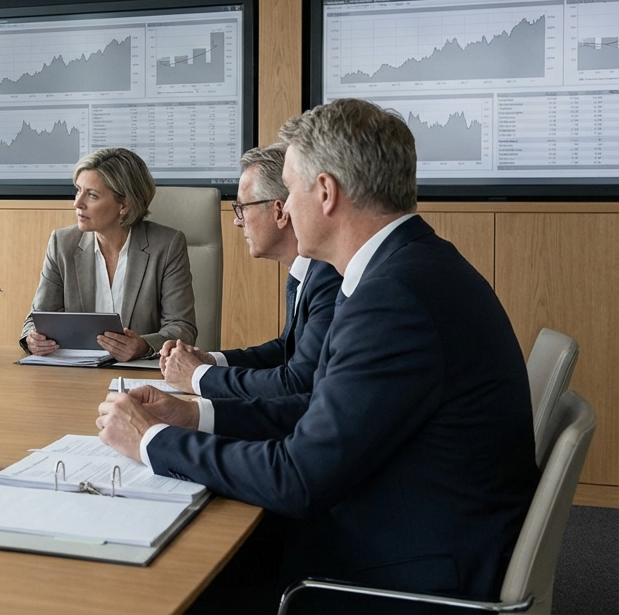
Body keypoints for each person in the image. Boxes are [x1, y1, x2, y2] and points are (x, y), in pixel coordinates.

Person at [97, 99, 538, 608]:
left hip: (404, 572)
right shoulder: (408, 267)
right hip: (408, 519)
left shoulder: (393, 298)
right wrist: (194, 416)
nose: (285, 208)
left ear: (325, 192)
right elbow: (320, 408)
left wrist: (151, 441)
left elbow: (298, 477)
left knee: (169, 579)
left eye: (290, 189)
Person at [158, 144, 342, 440]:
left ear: (279, 211)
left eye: (242, 207)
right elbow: (285, 349)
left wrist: (197, 376)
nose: (237, 220)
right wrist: (210, 361)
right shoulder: (305, 271)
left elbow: (298, 382)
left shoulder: (328, 275)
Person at [21, 147, 197, 361]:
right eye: (78, 190)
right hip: (75, 370)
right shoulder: (62, 243)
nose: (77, 203)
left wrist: (143, 346)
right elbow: (36, 319)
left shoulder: (167, 245)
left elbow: (182, 327)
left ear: (124, 205)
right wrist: (33, 339)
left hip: (138, 371)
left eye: (92, 195)